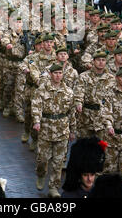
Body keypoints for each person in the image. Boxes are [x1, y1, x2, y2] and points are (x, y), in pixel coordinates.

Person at [31, 63, 76, 198]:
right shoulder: (42, 90)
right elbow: (36, 107)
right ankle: (40, 174)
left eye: (60, 73)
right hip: (46, 128)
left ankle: (53, 187)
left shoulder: (68, 92)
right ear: (50, 74)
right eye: (55, 73)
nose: (58, 76)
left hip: (62, 130)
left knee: (58, 162)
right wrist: (37, 121)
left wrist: (72, 130)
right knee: (42, 159)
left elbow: (71, 112)